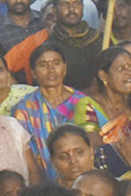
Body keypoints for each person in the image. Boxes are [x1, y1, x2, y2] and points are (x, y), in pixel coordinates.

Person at [12, 42, 88, 179]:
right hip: (42, 183)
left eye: (56, 63)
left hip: (82, 179)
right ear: (33, 73)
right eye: (43, 65)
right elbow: (23, 154)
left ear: (65, 68)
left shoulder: (82, 102)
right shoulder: (24, 109)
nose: (51, 69)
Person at [71, 45, 131, 146]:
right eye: (121, 69)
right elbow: (91, 148)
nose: (129, 73)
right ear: (104, 76)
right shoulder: (88, 106)